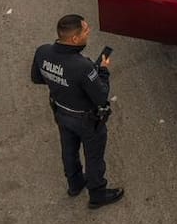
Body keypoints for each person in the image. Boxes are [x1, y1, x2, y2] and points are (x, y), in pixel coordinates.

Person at [31, 14, 124, 209]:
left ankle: (74, 183)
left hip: (61, 112)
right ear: (74, 38)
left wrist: (63, 85)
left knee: (69, 150)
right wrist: (103, 70)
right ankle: (97, 193)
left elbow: (37, 78)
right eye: (85, 30)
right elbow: (101, 96)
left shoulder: (42, 52)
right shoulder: (83, 67)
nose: (88, 32)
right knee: (94, 156)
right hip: (86, 120)